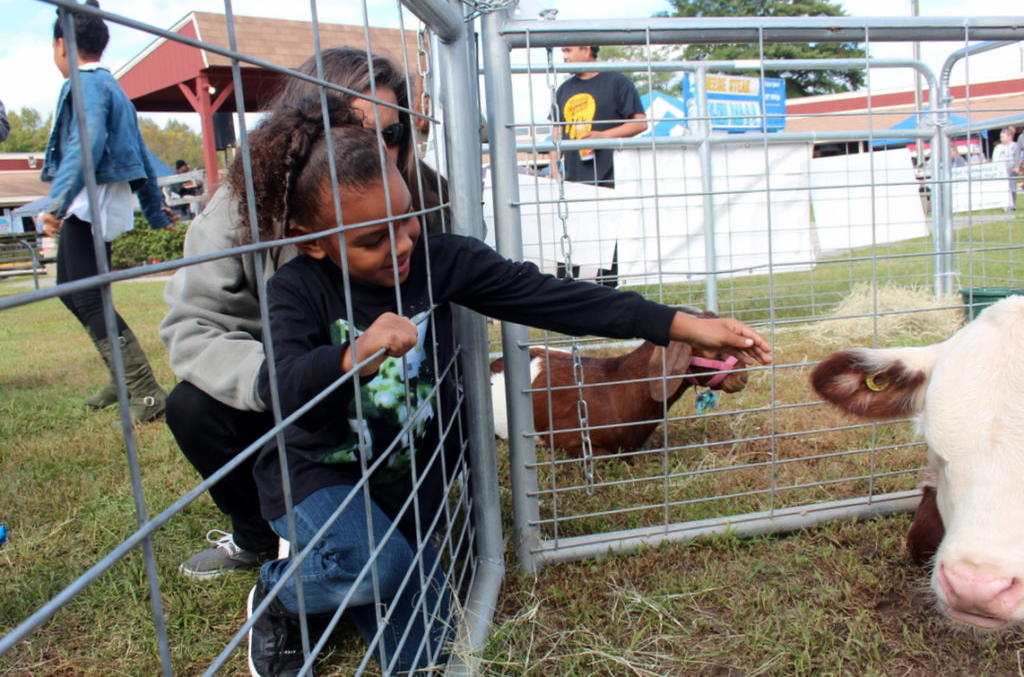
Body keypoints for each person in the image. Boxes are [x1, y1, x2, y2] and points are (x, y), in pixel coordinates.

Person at [245, 94, 772, 677]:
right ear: (312, 239)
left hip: (405, 481)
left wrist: (687, 326)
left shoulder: (439, 261)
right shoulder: (294, 290)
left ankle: (352, 568)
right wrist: (355, 355)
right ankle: (279, 596)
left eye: (407, 219)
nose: (401, 245)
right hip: (320, 475)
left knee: (425, 657)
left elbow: (557, 298)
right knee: (376, 567)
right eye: (373, 238)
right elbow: (282, 388)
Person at [159, 46, 449, 580]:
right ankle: (257, 538)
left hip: (396, 396)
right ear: (305, 127)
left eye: (391, 134)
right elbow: (193, 325)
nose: (378, 153)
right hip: (293, 398)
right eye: (355, 132)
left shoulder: (427, 194)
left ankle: (412, 508)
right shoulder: (239, 206)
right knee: (192, 407)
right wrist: (281, 380)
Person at [37, 0, 172, 424]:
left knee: (87, 297)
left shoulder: (86, 84)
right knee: (70, 289)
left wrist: (56, 202)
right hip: (100, 202)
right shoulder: (113, 87)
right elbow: (143, 159)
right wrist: (156, 212)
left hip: (87, 204)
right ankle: (123, 379)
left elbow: (86, 143)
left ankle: (146, 391)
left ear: (62, 45)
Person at [547, 45, 646, 189]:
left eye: (568, 50)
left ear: (586, 50)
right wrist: (554, 170)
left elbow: (640, 123)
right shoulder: (563, 90)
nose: (564, 56)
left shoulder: (617, 82)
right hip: (573, 183)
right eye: (563, 51)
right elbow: (557, 135)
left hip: (614, 181)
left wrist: (604, 136)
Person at [992, 127, 1017, 212]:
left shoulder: (1015, 146)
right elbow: (995, 158)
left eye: (1003, 137)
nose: (1001, 139)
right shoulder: (998, 148)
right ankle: (1005, 205)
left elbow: (1018, 157)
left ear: (1010, 137)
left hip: (1012, 169)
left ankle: (1013, 204)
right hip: (1001, 170)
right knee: (1004, 187)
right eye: (1001, 137)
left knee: (1012, 187)